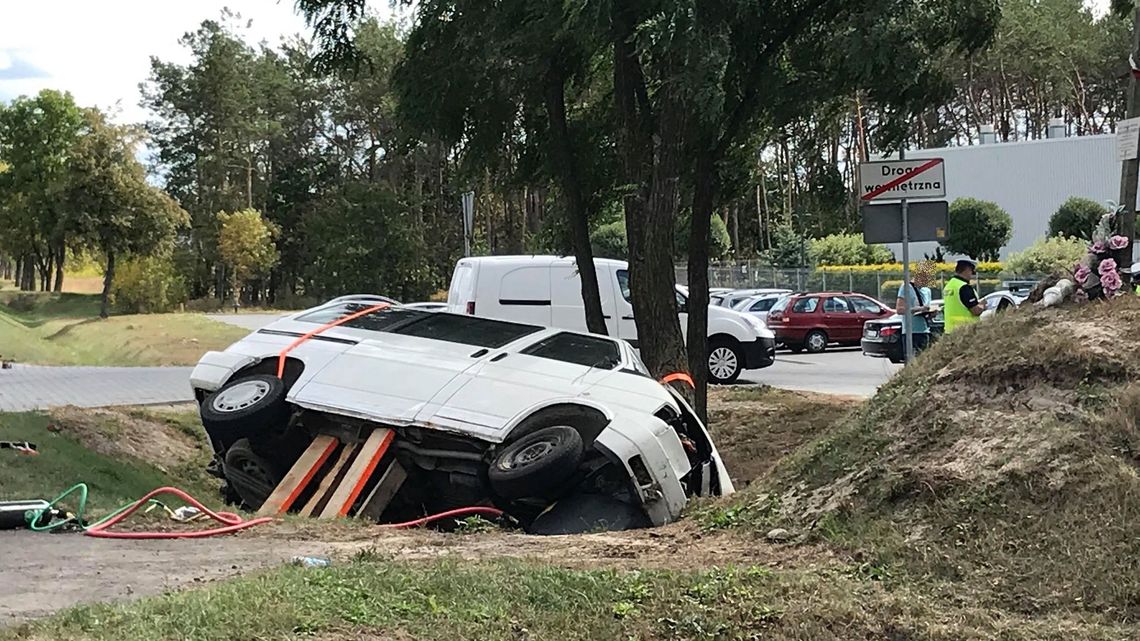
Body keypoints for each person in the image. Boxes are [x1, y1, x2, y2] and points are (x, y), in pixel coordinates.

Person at [896, 260, 934, 357]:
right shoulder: (906, 287)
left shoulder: (927, 291)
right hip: (910, 332)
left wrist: (931, 313)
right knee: (912, 360)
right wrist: (918, 309)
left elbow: (926, 310)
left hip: (924, 330)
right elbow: (899, 310)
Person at [942, 259, 985, 333]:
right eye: (972, 271)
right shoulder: (964, 287)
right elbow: (975, 311)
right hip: (965, 332)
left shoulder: (949, 286)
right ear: (967, 270)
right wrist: (982, 305)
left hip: (949, 331)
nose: (972, 275)